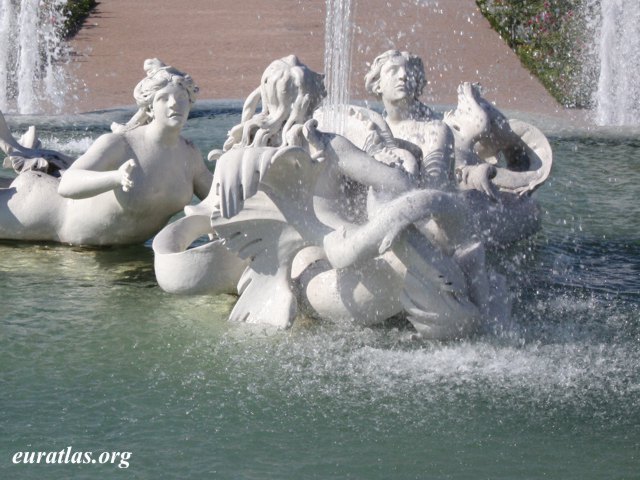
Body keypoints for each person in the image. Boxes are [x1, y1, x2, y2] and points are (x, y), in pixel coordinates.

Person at [0, 58, 212, 246]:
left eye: (182, 98)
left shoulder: (189, 155)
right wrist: (115, 178)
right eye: (163, 98)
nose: (175, 104)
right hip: (43, 212)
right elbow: (67, 184)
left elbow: (217, 197)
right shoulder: (121, 145)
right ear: (149, 107)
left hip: (110, 252)